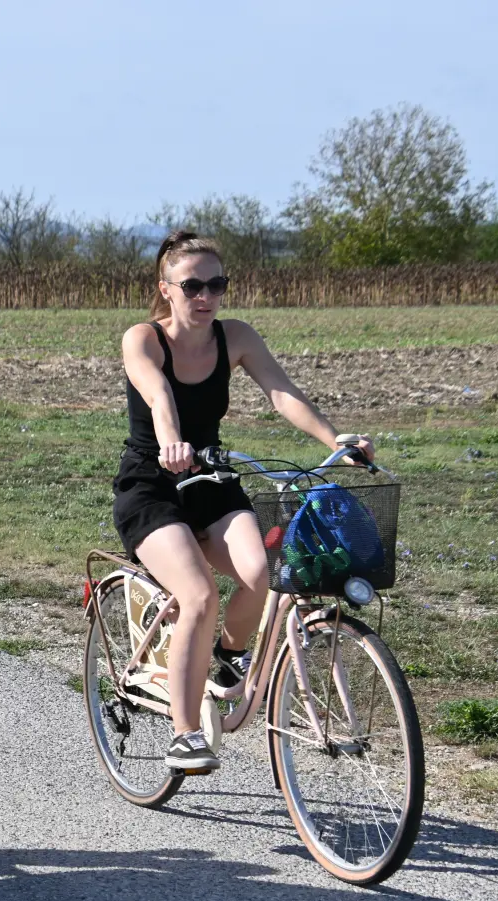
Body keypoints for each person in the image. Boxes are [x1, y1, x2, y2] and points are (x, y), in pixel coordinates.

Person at [112, 230, 374, 772]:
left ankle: (229, 657)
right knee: (200, 594)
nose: (205, 296)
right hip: (152, 485)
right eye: (191, 286)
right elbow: (158, 394)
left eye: (217, 284)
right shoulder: (142, 339)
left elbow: (282, 394)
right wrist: (169, 441)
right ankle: (185, 734)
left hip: (210, 480)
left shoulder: (237, 337)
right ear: (165, 289)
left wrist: (336, 441)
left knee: (263, 572)